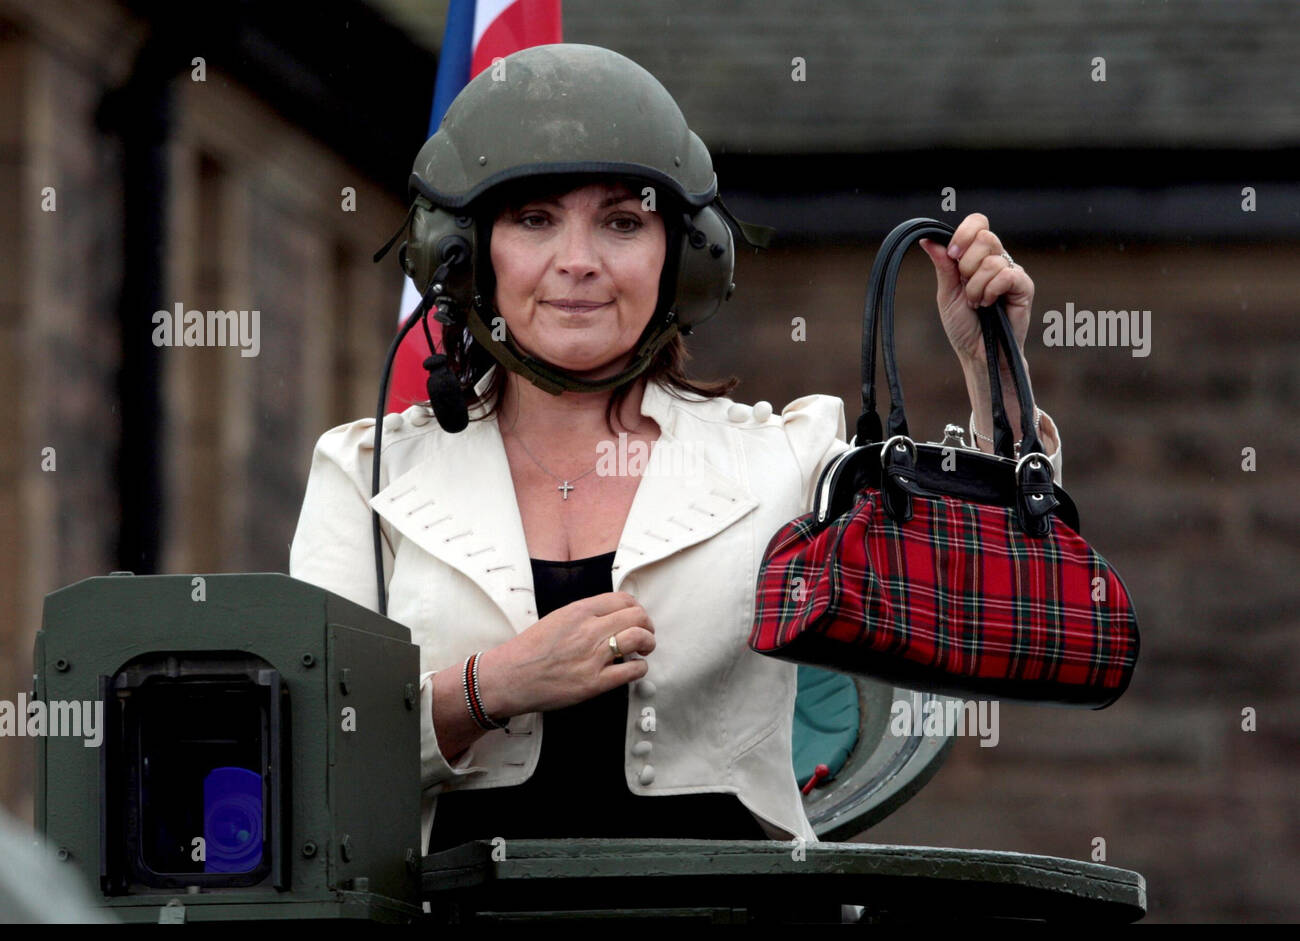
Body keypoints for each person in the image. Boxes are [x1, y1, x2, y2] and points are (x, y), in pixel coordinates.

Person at [288, 44, 1063, 861]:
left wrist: (993, 378)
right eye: (534, 219)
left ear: (686, 260)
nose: (578, 261)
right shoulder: (368, 474)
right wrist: (491, 688)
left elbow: (991, 613)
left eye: (623, 222)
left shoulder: (786, 465)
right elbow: (304, 756)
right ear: (462, 253)